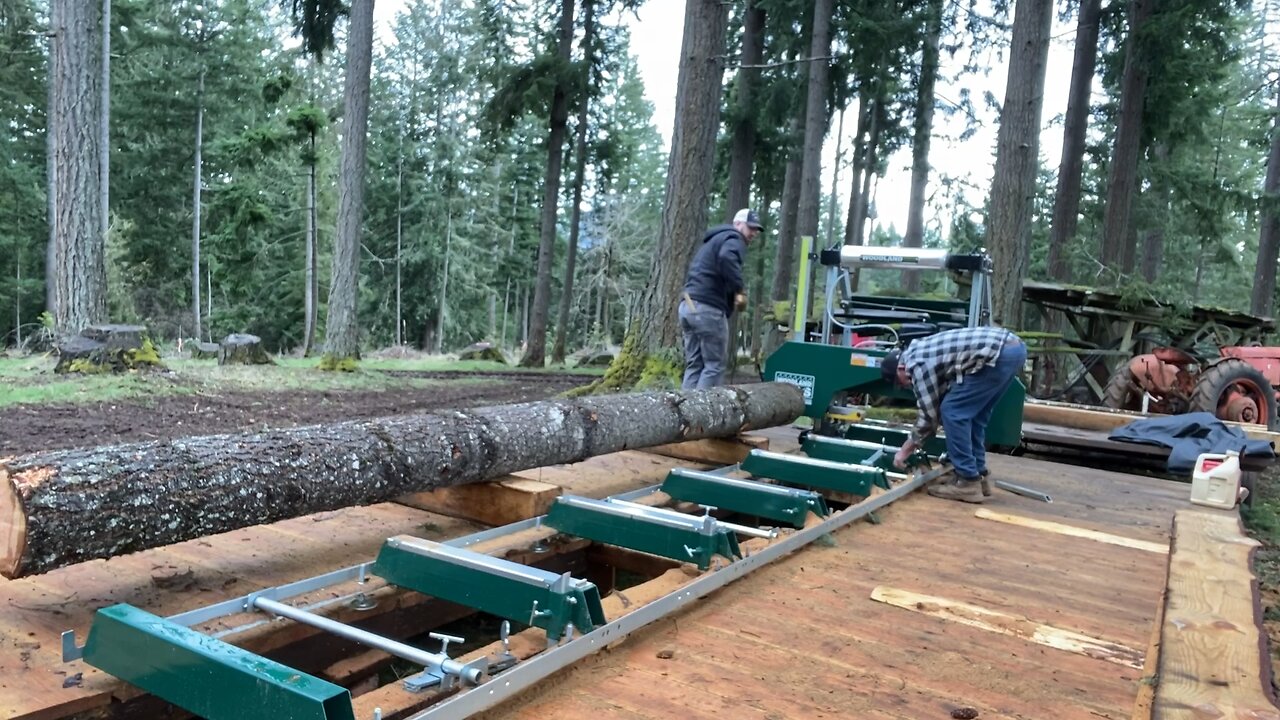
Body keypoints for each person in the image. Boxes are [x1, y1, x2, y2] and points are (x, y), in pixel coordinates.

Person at [879, 326, 1027, 503]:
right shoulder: (919, 350)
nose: (905, 386)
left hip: (997, 354)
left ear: (900, 368)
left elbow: (928, 418)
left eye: (900, 382)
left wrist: (904, 451)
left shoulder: (917, 365)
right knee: (975, 416)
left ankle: (968, 482)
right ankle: (978, 474)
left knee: (953, 412)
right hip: (1014, 349)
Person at [679, 208, 763, 389]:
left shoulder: (713, 240)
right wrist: (739, 290)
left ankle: (685, 412)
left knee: (695, 364)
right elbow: (727, 258)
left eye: (756, 229)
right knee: (714, 365)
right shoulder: (734, 238)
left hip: (688, 304)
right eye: (750, 228)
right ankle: (703, 414)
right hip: (707, 308)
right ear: (737, 224)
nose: (753, 233)